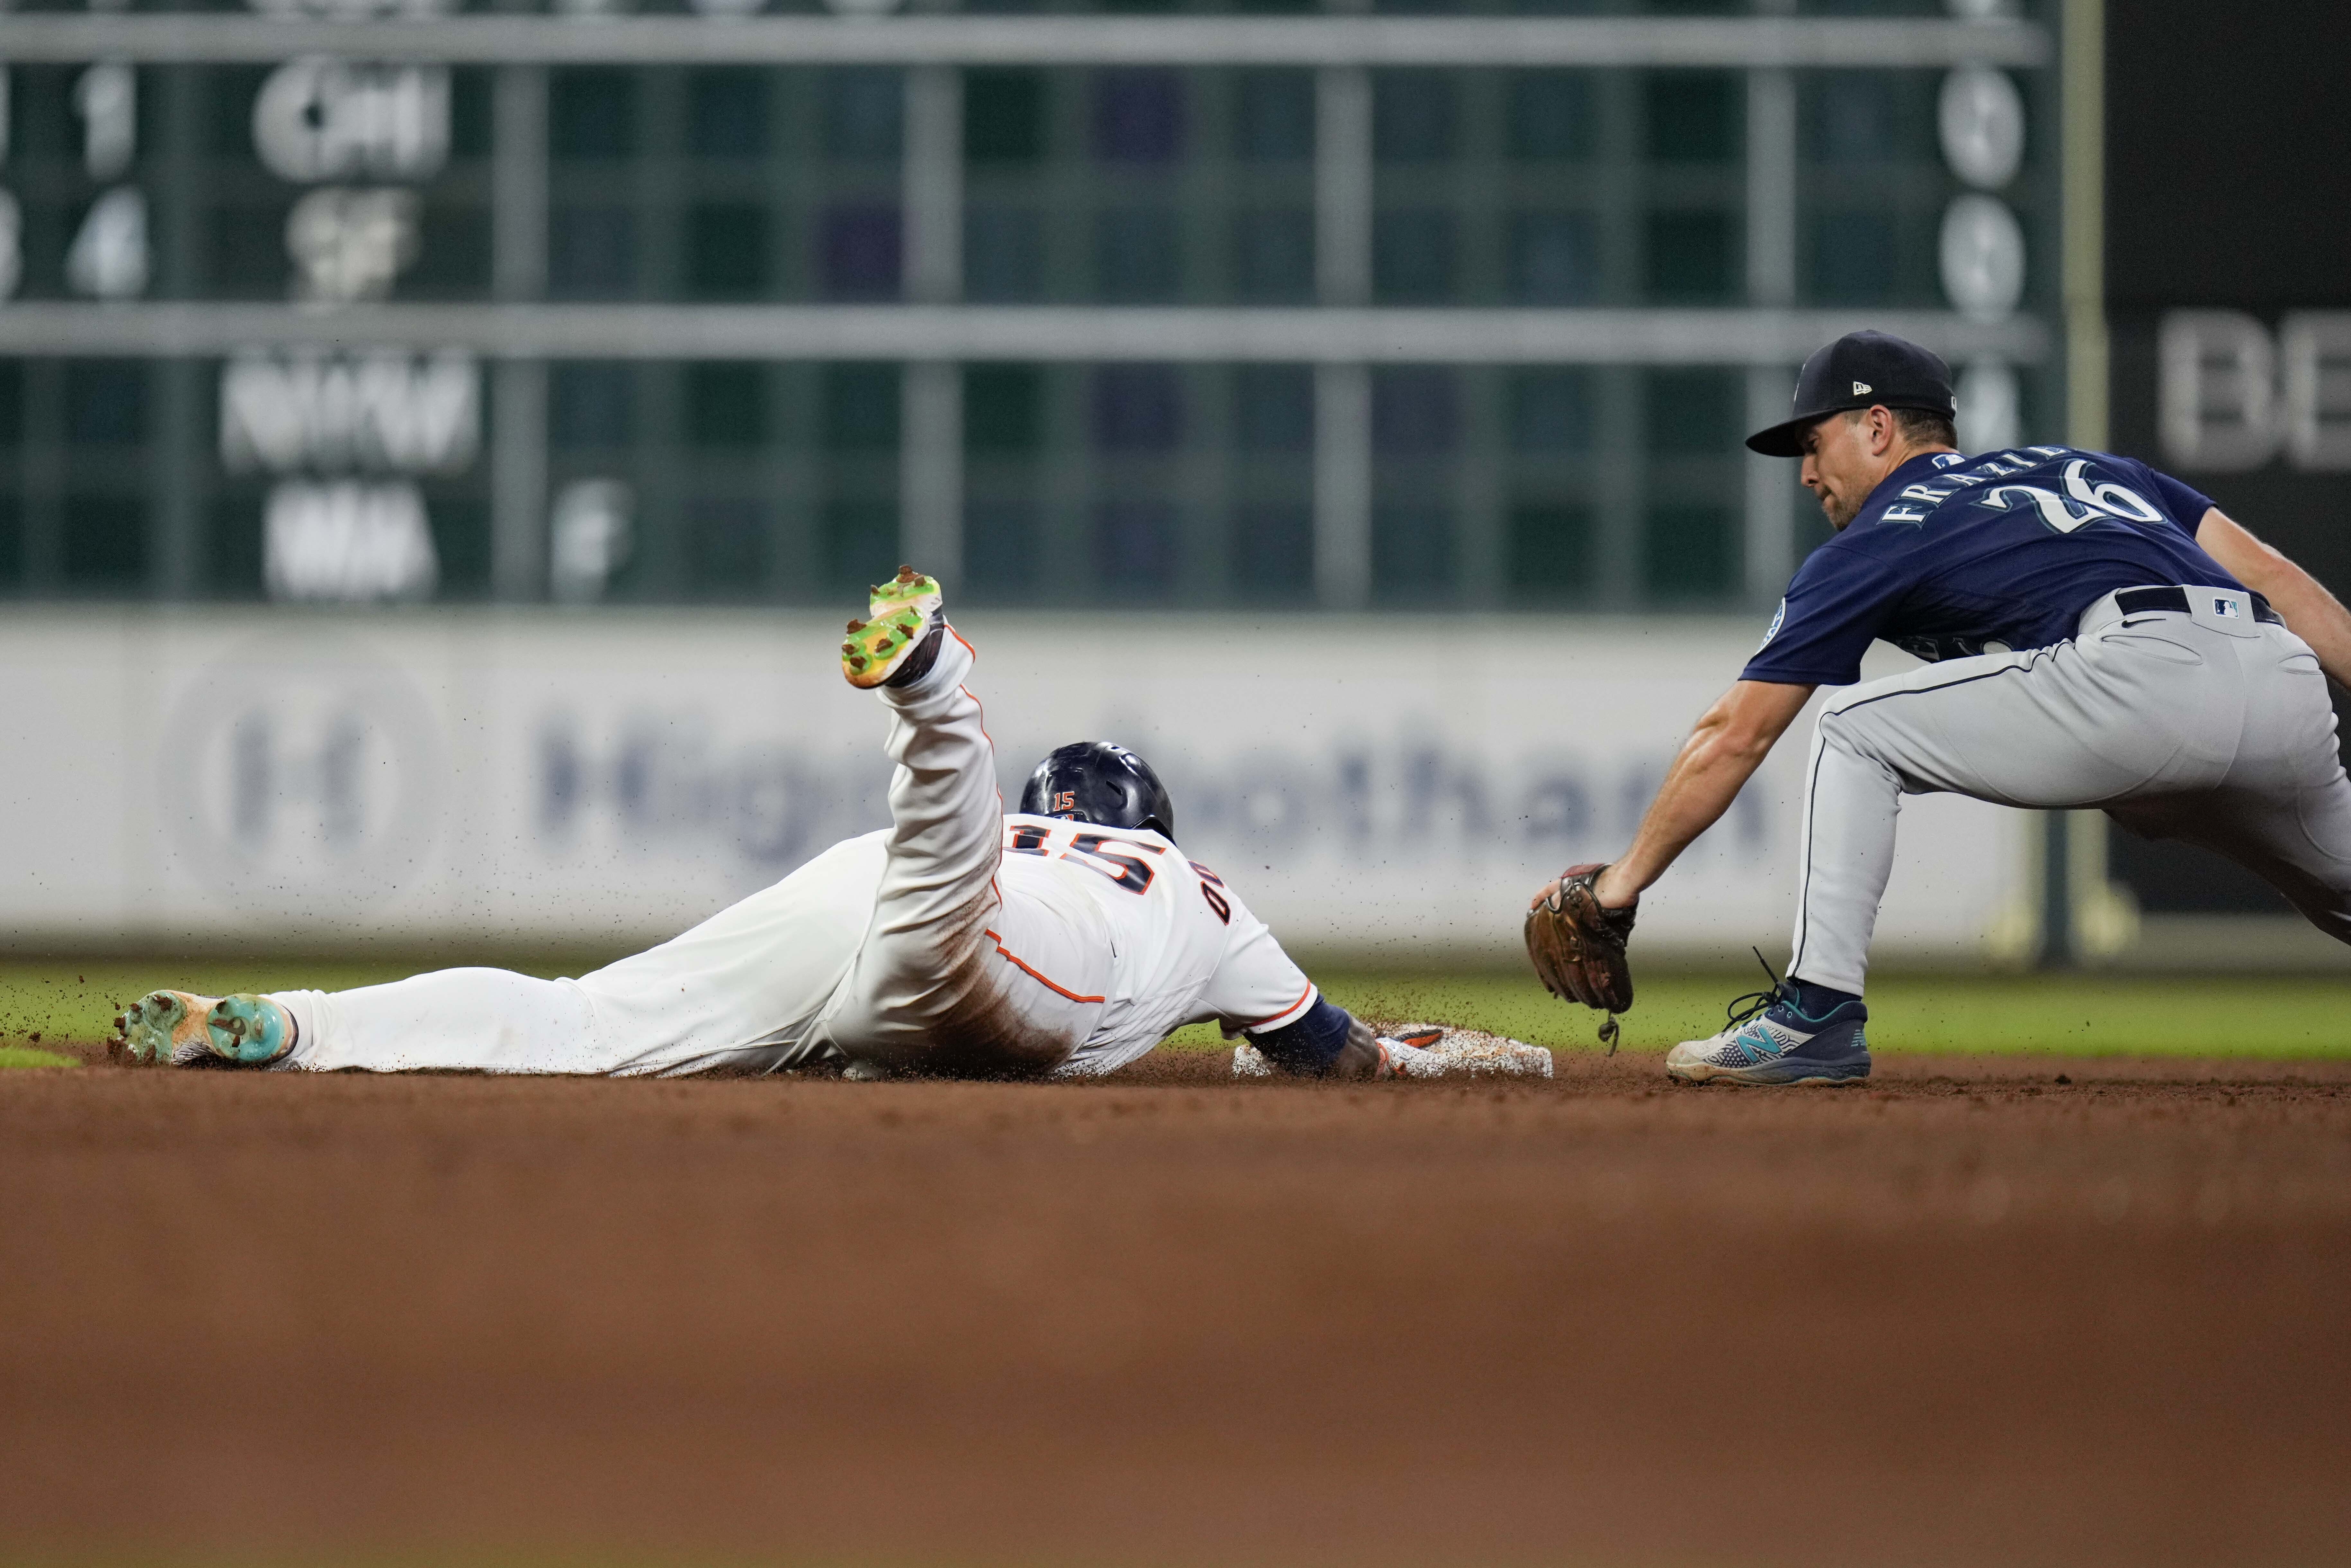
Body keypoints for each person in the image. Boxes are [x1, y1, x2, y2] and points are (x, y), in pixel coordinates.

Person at [113, 569, 1545, 1084]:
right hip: (999, 942)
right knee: (946, 868)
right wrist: (1480, 1057)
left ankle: (294, 1025)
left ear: (1062, 810)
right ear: (1150, 822)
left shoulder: (1076, 850)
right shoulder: (1191, 888)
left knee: (580, 1021)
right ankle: (935, 683)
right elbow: (1331, 1055)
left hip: (842, 902)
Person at [1568, 330, 2351, 1086]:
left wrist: (1621, 884)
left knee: (1853, 730)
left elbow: (1735, 734)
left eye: (1814, 443)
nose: (1807, 473)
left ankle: (1817, 1015)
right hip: (2279, 678)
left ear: (1876, 427)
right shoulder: (2085, 468)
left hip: (2146, 674)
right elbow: (2278, 579)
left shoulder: (1885, 532)